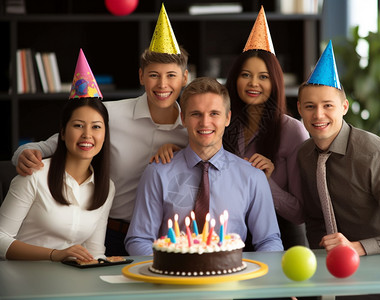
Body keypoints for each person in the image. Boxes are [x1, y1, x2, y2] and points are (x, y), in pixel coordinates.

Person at [10, 4, 189, 256]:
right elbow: (48, 145)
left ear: (185, 78)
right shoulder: (108, 115)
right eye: (153, 75)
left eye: (171, 75)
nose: (162, 84)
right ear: (140, 76)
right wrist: (23, 154)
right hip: (108, 232)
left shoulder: (191, 130)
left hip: (164, 236)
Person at [297, 41, 380, 256]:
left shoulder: (375, 155)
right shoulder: (304, 155)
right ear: (300, 109)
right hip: (330, 268)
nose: (318, 115)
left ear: (344, 107)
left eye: (328, 105)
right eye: (310, 106)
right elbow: (315, 220)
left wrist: (357, 248)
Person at [125, 77, 283, 255]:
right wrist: (167, 270)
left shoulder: (252, 176)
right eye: (196, 114)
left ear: (227, 118)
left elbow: (269, 240)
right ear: (183, 118)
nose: (205, 122)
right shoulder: (157, 172)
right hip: (172, 277)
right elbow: (139, 239)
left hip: (232, 277)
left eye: (214, 113)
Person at [0, 50, 114, 262]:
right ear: (62, 132)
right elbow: (0, 238)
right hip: (21, 280)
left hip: (72, 284)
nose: (87, 135)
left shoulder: (106, 187)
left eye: (96, 127)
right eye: (78, 125)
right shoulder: (34, 176)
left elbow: (95, 251)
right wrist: (54, 255)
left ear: (105, 134)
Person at [223, 7, 309, 250]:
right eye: (246, 75)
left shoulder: (292, 131)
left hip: (281, 238)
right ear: (234, 79)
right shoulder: (223, 124)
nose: (253, 83)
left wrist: (266, 183)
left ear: (275, 82)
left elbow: (299, 212)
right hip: (231, 236)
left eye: (263, 76)